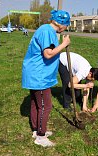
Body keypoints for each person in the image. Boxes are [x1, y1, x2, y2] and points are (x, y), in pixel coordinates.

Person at [22, 10, 70, 147]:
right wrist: (64, 44)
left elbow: (50, 48)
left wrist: (60, 42)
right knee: (46, 106)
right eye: (67, 25)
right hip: (39, 75)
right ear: (61, 24)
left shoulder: (47, 30)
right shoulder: (47, 31)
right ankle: (41, 137)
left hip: (35, 73)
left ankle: (37, 130)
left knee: (36, 104)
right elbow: (48, 54)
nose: (66, 27)